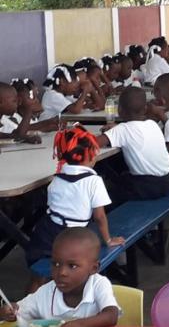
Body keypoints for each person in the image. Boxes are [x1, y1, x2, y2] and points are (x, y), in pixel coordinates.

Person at [25, 125, 124, 292]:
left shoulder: (57, 179)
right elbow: (99, 217)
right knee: (78, 270)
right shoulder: (93, 181)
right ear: (89, 156)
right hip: (74, 236)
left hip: (46, 232)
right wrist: (108, 240)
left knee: (38, 275)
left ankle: (26, 307)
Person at [0, 228, 120, 326]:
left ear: (94, 268)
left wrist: (79, 325)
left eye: (72, 266)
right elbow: (17, 312)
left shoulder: (98, 284)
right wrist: (6, 312)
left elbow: (111, 316)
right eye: (56, 264)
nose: (61, 272)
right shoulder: (45, 293)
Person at [96, 87, 169, 200]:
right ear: (145, 109)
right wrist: (116, 129)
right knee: (123, 177)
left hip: (146, 186)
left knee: (109, 193)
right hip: (168, 181)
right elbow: (134, 129)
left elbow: (94, 143)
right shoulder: (152, 124)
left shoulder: (122, 129)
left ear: (119, 110)